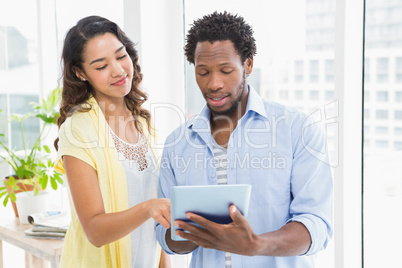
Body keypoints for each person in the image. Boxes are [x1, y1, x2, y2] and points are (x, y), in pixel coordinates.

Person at [155, 11, 333, 267]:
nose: (214, 83)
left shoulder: (297, 130)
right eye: (203, 72)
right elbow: (165, 237)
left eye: (226, 70)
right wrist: (194, 231)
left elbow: (317, 224)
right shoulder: (177, 144)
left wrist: (256, 245)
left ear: (248, 64)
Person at [54, 15, 171, 268]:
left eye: (120, 56)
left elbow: (158, 217)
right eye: (101, 66)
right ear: (80, 73)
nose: (118, 70)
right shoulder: (78, 129)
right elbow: (95, 230)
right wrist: (148, 208)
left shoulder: (142, 120)